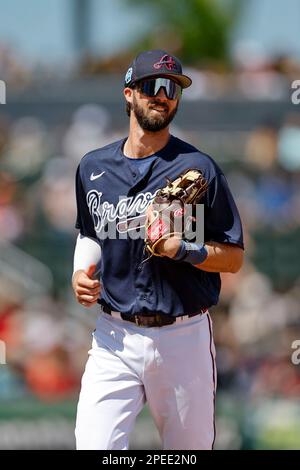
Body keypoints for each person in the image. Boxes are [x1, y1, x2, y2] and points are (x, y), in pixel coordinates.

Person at [72, 49, 244, 450]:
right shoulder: (92, 167)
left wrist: (183, 248)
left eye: (172, 89)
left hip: (182, 334)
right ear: (129, 93)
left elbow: (234, 257)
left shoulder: (198, 168)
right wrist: (81, 272)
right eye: (152, 86)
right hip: (114, 335)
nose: (162, 96)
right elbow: (90, 233)